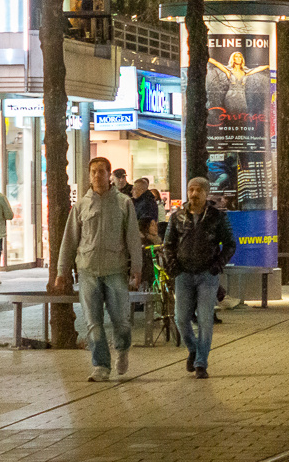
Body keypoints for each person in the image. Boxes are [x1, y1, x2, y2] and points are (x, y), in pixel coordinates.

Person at [54, 157, 143, 382]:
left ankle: (122, 350)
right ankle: (100, 365)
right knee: (93, 323)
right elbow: (70, 239)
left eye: (101, 171)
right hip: (88, 270)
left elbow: (133, 237)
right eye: (93, 171)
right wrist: (62, 271)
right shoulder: (81, 205)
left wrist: (137, 267)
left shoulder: (124, 203)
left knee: (121, 321)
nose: (96, 175)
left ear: (109, 174)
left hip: (115, 270)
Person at [161, 176, 236, 378]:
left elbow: (230, 244)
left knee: (205, 320)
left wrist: (217, 265)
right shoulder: (177, 217)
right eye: (190, 190)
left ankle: (201, 362)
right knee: (181, 318)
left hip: (206, 275)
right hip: (183, 274)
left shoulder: (217, 217)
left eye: (198, 191)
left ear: (206, 193)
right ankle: (193, 348)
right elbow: (168, 245)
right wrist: (173, 267)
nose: (193, 194)